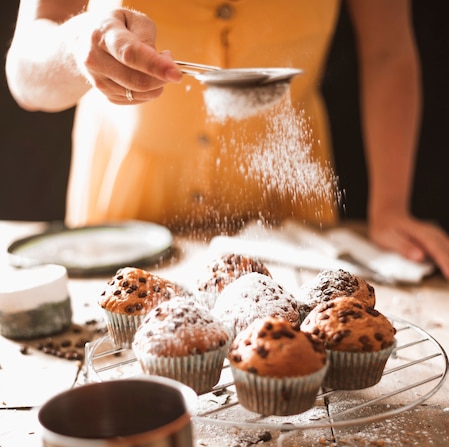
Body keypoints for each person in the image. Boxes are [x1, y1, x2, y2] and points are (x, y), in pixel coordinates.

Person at [5, 0, 449, 279]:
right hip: (125, 205)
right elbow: (26, 74)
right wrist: (76, 43)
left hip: (291, 200)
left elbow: (388, 51)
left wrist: (390, 206)